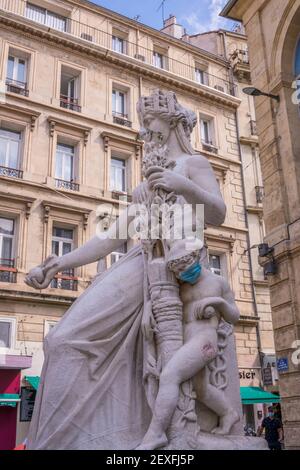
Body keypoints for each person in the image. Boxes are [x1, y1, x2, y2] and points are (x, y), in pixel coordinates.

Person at [24, 90, 226, 450]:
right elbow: (112, 237)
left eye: (149, 123)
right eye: (143, 126)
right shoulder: (146, 181)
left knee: (68, 341)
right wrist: (59, 263)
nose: (145, 133)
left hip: (175, 268)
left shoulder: (194, 165)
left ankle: (111, 433)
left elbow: (217, 214)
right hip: (142, 263)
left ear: (172, 122)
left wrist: (182, 185)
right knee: (60, 340)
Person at [137, 240, 240, 450]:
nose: (182, 274)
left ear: (195, 258)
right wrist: (148, 308)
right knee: (201, 390)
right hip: (184, 340)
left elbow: (235, 316)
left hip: (205, 341)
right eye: (178, 271)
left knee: (169, 376)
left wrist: (217, 303)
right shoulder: (180, 286)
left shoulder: (218, 283)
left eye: (184, 268)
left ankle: (155, 434)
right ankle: (228, 413)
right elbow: (159, 298)